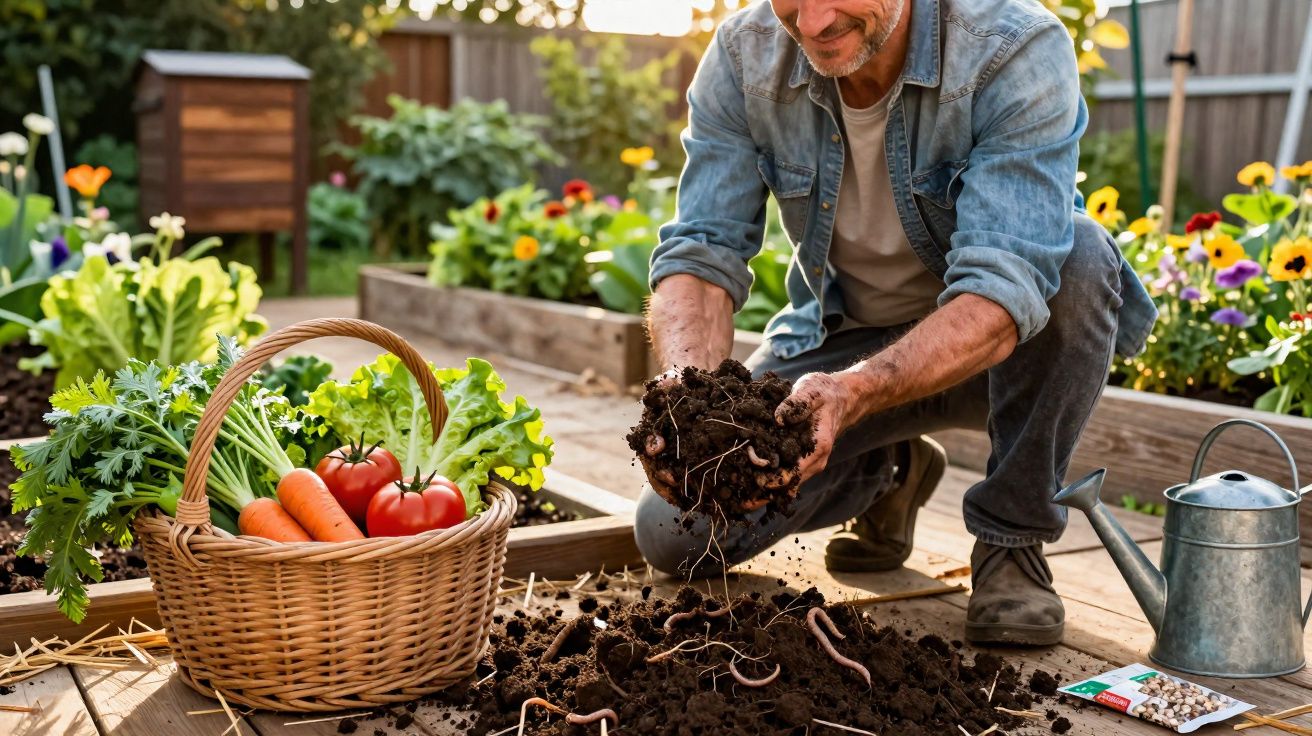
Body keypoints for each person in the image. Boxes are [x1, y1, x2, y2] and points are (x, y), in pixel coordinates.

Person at [633, 0, 1157, 647]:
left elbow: (1004, 290)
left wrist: (857, 395)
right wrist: (689, 401)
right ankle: (892, 472)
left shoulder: (1012, 47)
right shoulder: (746, 54)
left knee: (1078, 256)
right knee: (673, 533)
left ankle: (1011, 537)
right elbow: (703, 251)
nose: (814, 22)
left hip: (995, 355)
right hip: (839, 346)